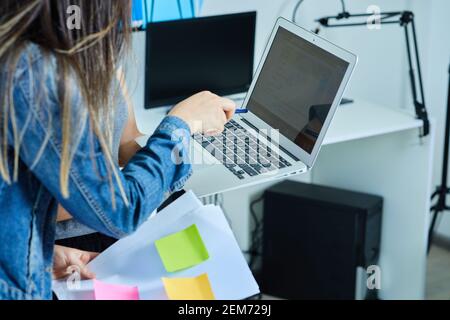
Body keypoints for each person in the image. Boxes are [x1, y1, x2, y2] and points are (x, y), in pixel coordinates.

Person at [0, 0, 236, 300]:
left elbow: (126, 141)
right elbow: (120, 209)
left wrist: (43, 255)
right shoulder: (38, 73)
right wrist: (182, 123)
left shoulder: (89, 49)